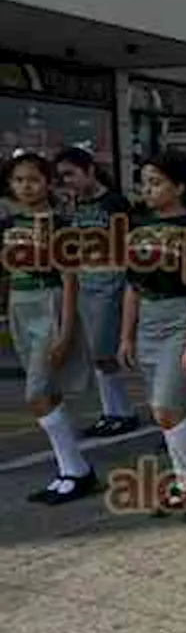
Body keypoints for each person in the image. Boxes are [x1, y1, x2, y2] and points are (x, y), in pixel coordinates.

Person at [119, 150, 186, 520]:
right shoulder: (138, 227)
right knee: (170, 411)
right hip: (148, 317)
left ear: (179, 186)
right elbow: (132, 286)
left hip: (181, 318)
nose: (148, 189)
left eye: (157, 182)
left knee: (168, 407)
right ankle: (185, 483)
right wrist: (126, 336)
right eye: (144, 182)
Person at [3, 152, 97, 504]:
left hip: (49, 303)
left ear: (47, 183)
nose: (25, 186)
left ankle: (77, 469)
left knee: (37, 394)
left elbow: (70, 278)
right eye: (18, 180)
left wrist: (66, 329)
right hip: (19, 305)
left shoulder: (59, 224)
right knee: (48, 393)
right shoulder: (10, 224)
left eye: (33, 179)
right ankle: (70, 470)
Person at [54, 147, 138, 438]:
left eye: (71, 174)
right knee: (96, 351)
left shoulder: (114, 203)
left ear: (89, 170)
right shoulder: (74, 205)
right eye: (62, 176)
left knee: (104, 350)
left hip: (110, 281)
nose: (68, 181)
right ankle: (112, 411)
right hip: (84, 281)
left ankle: (121, 412)